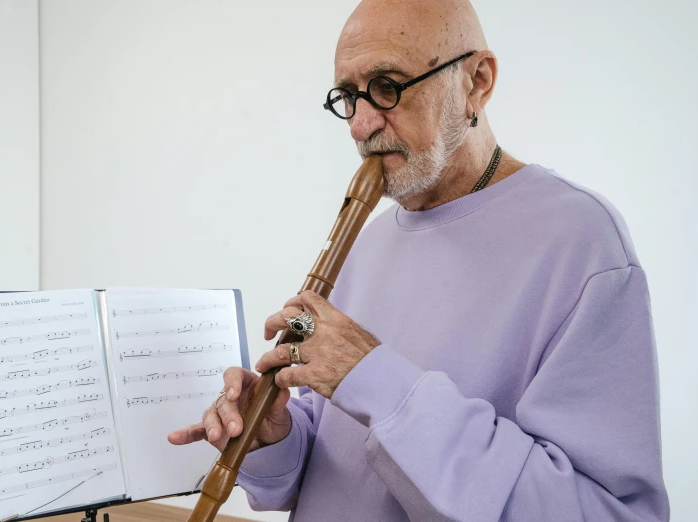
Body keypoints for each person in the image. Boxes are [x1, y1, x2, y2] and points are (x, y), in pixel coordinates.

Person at [168, 0, 670, 519]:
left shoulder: (582, 241)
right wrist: (275, 438)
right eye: (348, 96)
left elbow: (606, 512)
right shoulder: (370, 240)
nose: (361, 126)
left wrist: (372, 377)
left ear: (477, 81)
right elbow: (338, 471)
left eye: (388, 86)